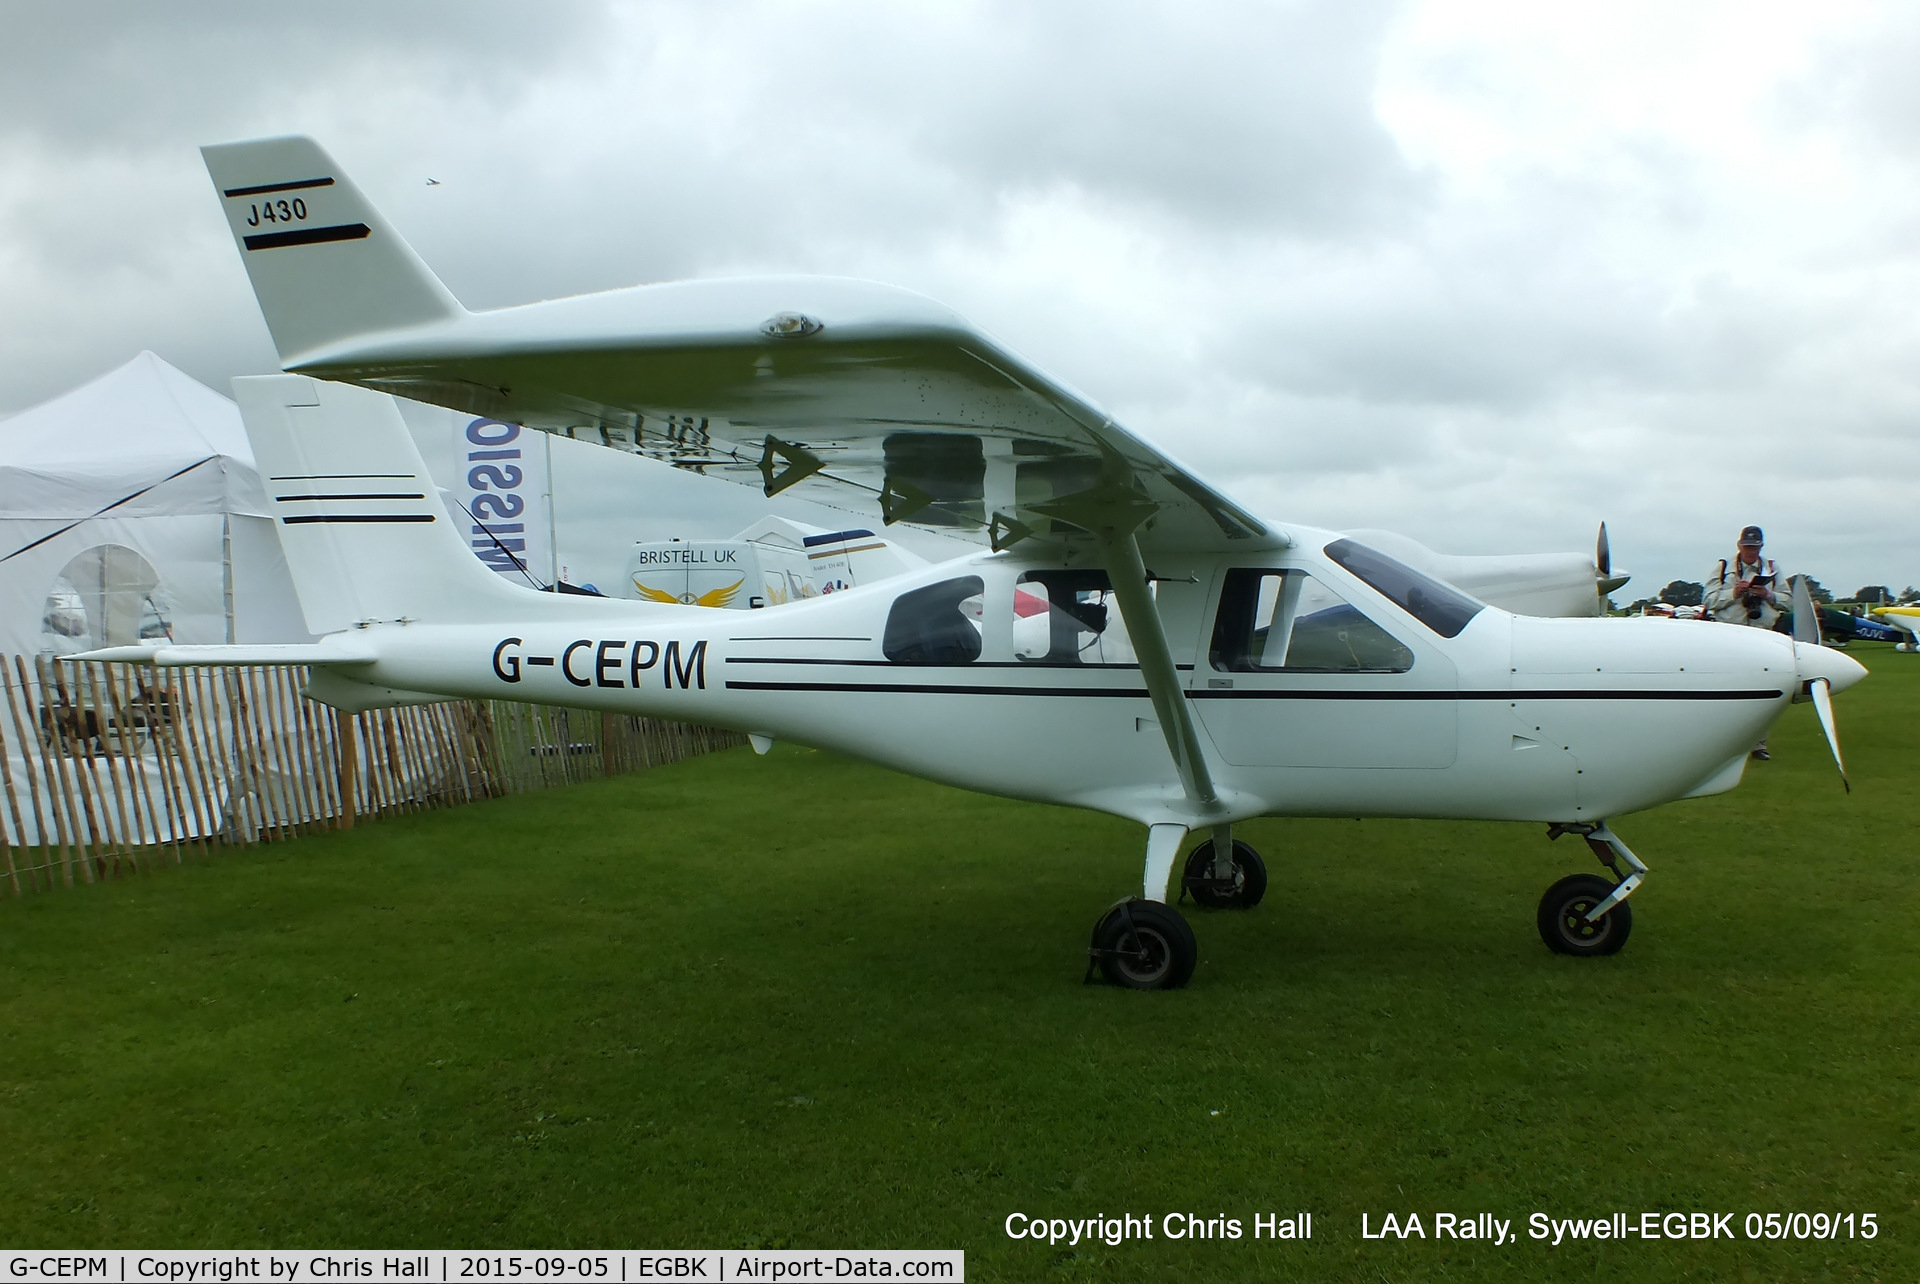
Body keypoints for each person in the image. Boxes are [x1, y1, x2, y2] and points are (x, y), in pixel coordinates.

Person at [1703, 524, 1785, 759]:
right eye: (1747, 547)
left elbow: (1787, 601)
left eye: (1755, 547)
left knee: (1763, 690)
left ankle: (1758, 744)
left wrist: (1768, 595)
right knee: (1728, 689)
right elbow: (1709, 601)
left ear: (1761, 546)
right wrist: (1734, 593)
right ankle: (1725, 742)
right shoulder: (1724, 567)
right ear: (1739, 546)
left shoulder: (1771, 568)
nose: (1751, 552)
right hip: (1730, 637)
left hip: (1763, 635)